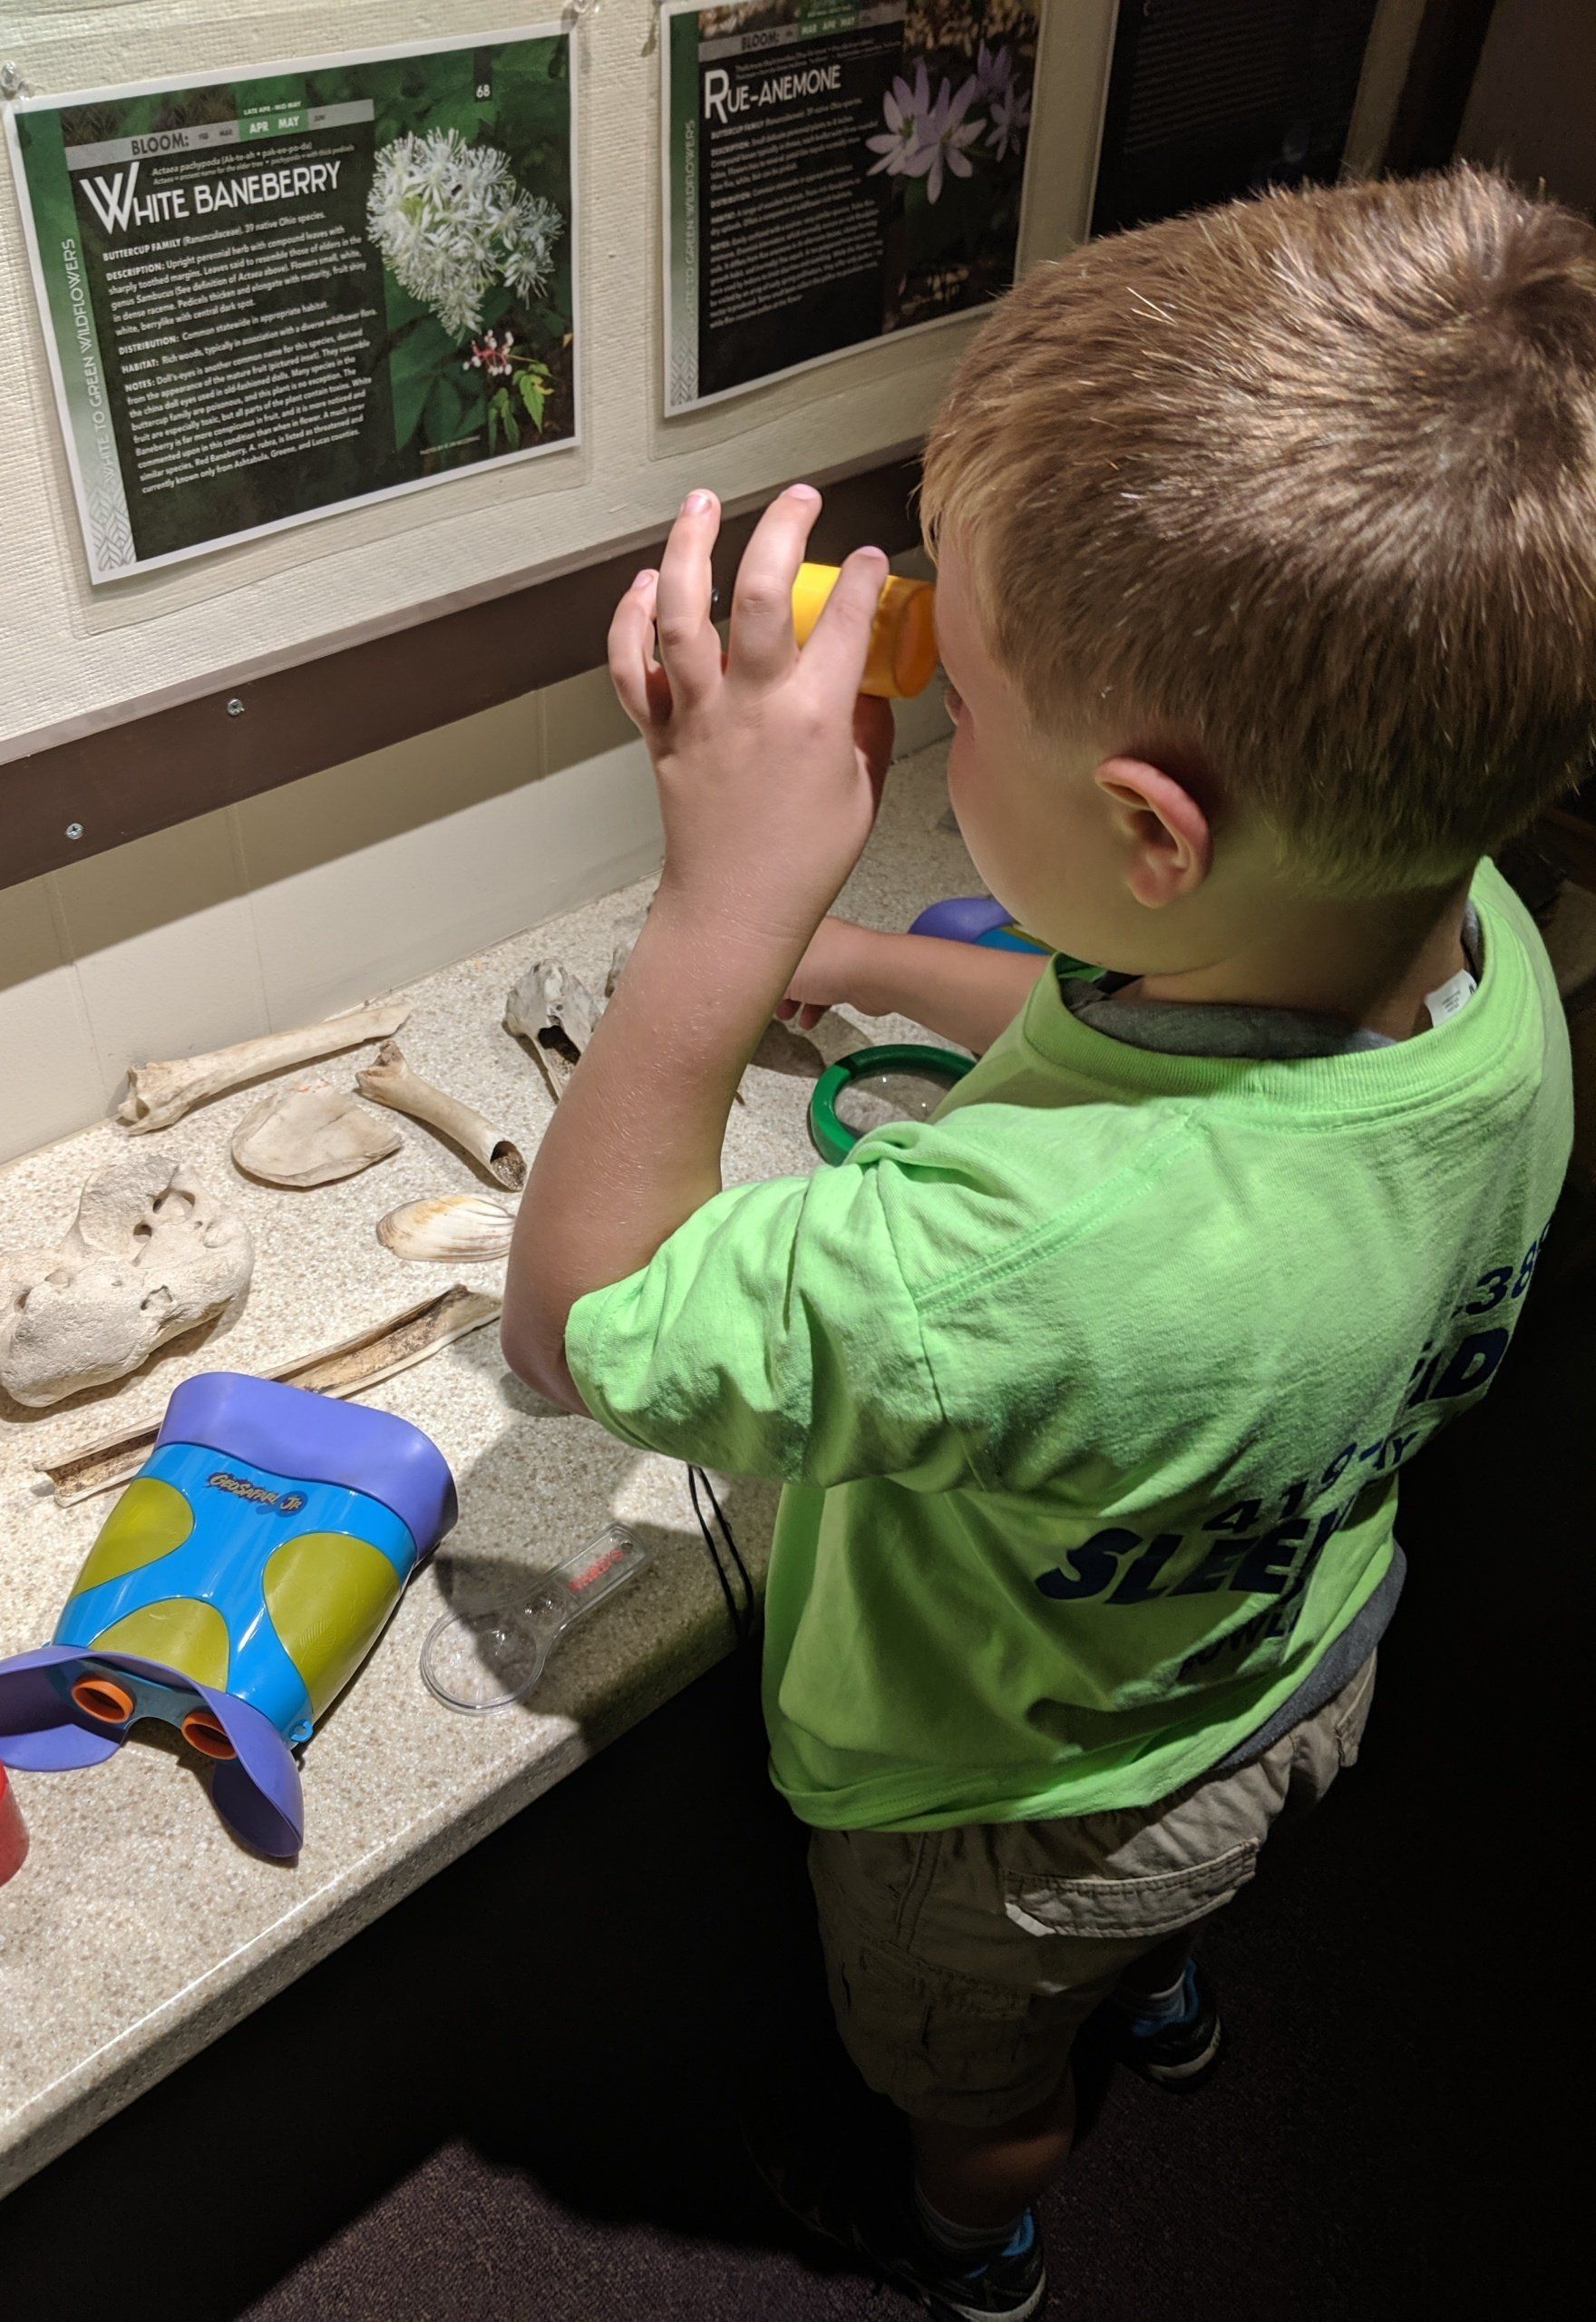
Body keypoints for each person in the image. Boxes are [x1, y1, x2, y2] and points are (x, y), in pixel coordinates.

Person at [501, 166, 1590, 2319]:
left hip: (992, 1805)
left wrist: (722, 907)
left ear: (1147, 833)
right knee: (1177, 1898)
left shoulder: (997, 1266)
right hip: (1299, 1655)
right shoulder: (1491, 952)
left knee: (970, 2055)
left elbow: (578, 1326)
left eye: (967, 713)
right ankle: (1167, 1992)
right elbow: (1171, 1027)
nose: (937, 730)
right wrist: (899, 958)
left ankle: (978, 2222)